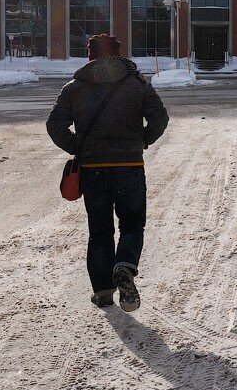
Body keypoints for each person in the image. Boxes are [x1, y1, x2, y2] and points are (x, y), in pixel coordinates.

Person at [46, 34, 169, 311]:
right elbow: (160, 118)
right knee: (132, 224)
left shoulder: (74, 88)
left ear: (90, 56)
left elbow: (55, 126)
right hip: (130, 167)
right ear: (117, 54)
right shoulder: (137, 84)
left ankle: (102, 292)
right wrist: (142, 141)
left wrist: (78, 146)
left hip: (93, 169)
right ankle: (124, 268)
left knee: (99, 232)